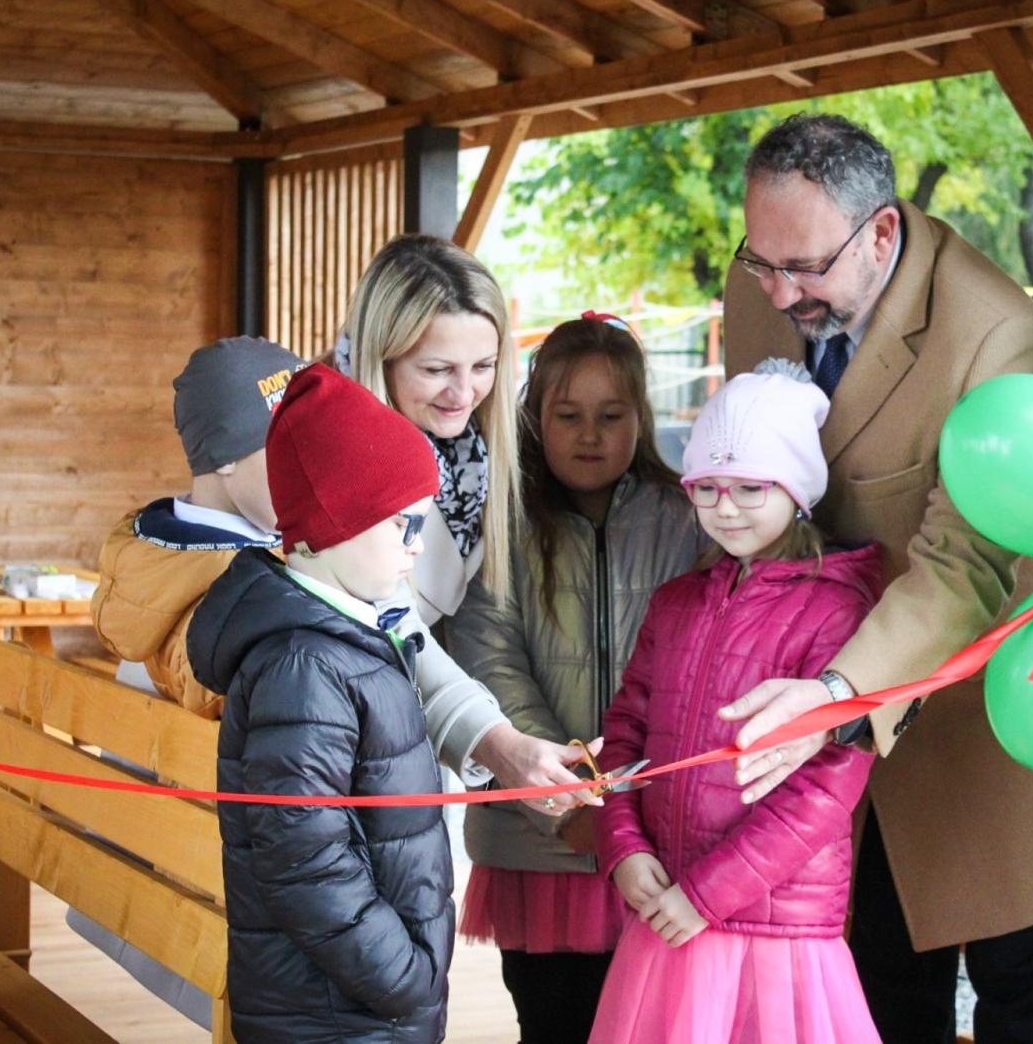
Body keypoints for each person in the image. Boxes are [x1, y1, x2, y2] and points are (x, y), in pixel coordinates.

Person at [717, 113, 1033, 1043]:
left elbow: (964, 563)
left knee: (1020, 998)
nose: (778, 292)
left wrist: (835, 691)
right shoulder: (762, 290)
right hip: (836, 736)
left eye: (804, 268)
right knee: (883, 998)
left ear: (882, 231)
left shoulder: (992, 329)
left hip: (990, 714)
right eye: (760, 260)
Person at [588, 362, 883, 1044]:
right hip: (668, 919)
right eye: (708, 488)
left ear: (799, 492)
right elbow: (626, 735)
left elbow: (824, 791)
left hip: (773, 934)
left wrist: (705, 895)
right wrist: (623, 847)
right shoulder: (676, 601)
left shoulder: (837, 612)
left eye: (751, 487)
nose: (726, 507)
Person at [449, 315, 701, 1043]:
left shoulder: (687, 517)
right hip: (542, 849)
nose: (589, 435)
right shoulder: (504, 519)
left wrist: (630, 815)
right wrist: (566, 803)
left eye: (610, 416)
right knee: (554, 1023)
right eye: (568, 416)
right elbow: (487, 659)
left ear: (640, 418)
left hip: (655, 843)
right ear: (534, 417)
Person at [187, 364, 454, 1043]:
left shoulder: (342, 637)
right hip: (338, 1009)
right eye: (402, 526)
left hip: (358, 1000)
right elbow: (304, 859)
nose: (416, 547)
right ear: (334, 524)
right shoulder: (304, 663)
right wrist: (406, 976)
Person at [335, 236, 597, 813]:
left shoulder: (474, 456)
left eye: (483, 367)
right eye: (436, 370)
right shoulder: (335, 454)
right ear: (381, 357)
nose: (464, 393)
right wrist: (502, 745)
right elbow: (390, 626)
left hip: (376, 745)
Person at [92, 336, 306, 719]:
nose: (312, 470)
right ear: (225, 456)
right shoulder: (233, 594)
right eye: (290, 449)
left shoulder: (160, 566)